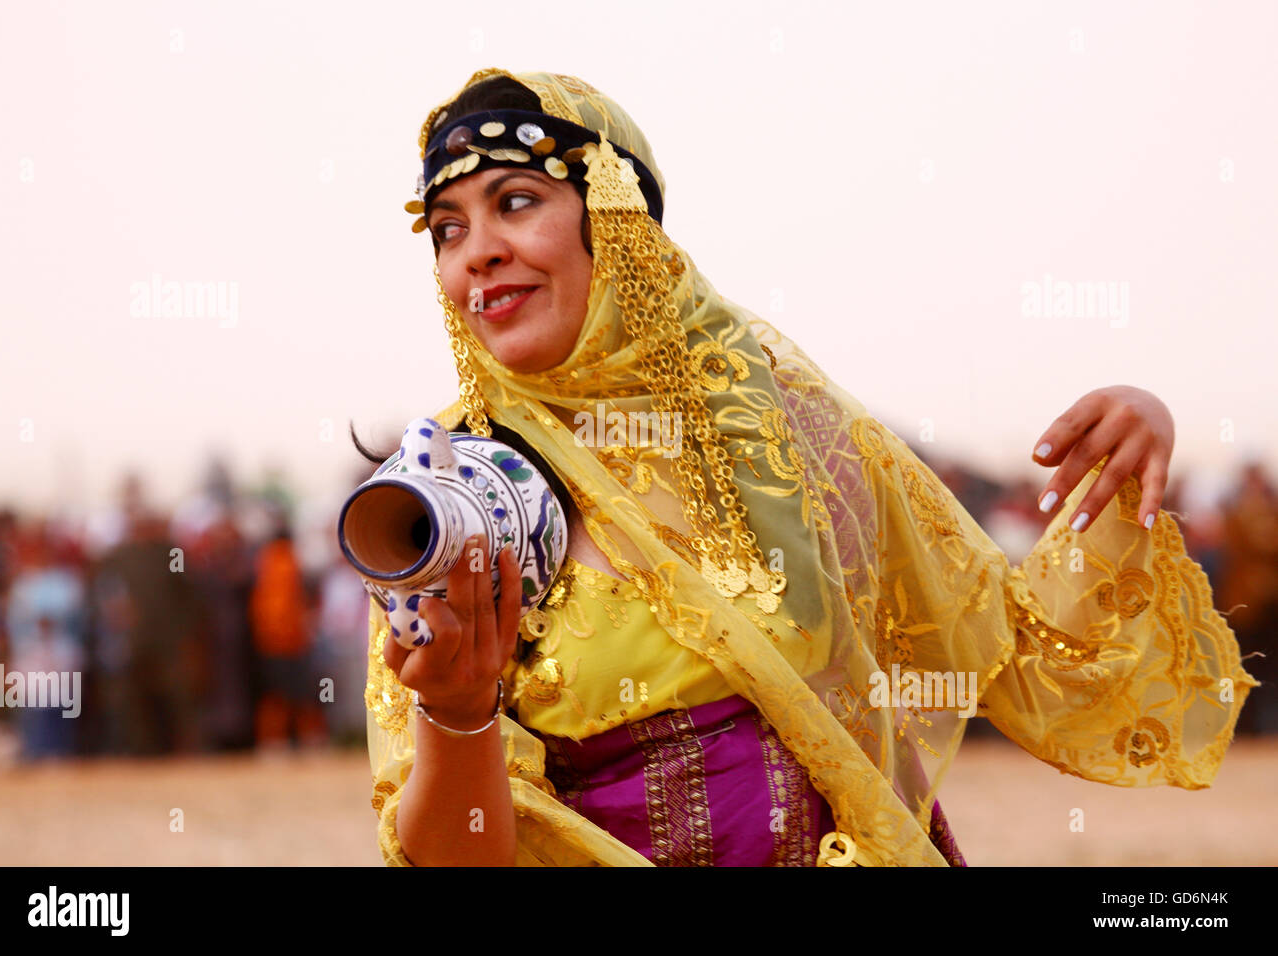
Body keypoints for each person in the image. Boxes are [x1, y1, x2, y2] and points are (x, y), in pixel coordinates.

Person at [357, 69, 1257, 867]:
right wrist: (459, 710)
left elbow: (1011, 645)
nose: (475, 251)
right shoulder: (450, 499)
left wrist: (1129, 441)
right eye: (447, 227)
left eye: (516, 201)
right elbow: (449, 856)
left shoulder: (777, 426)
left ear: (618, 219)